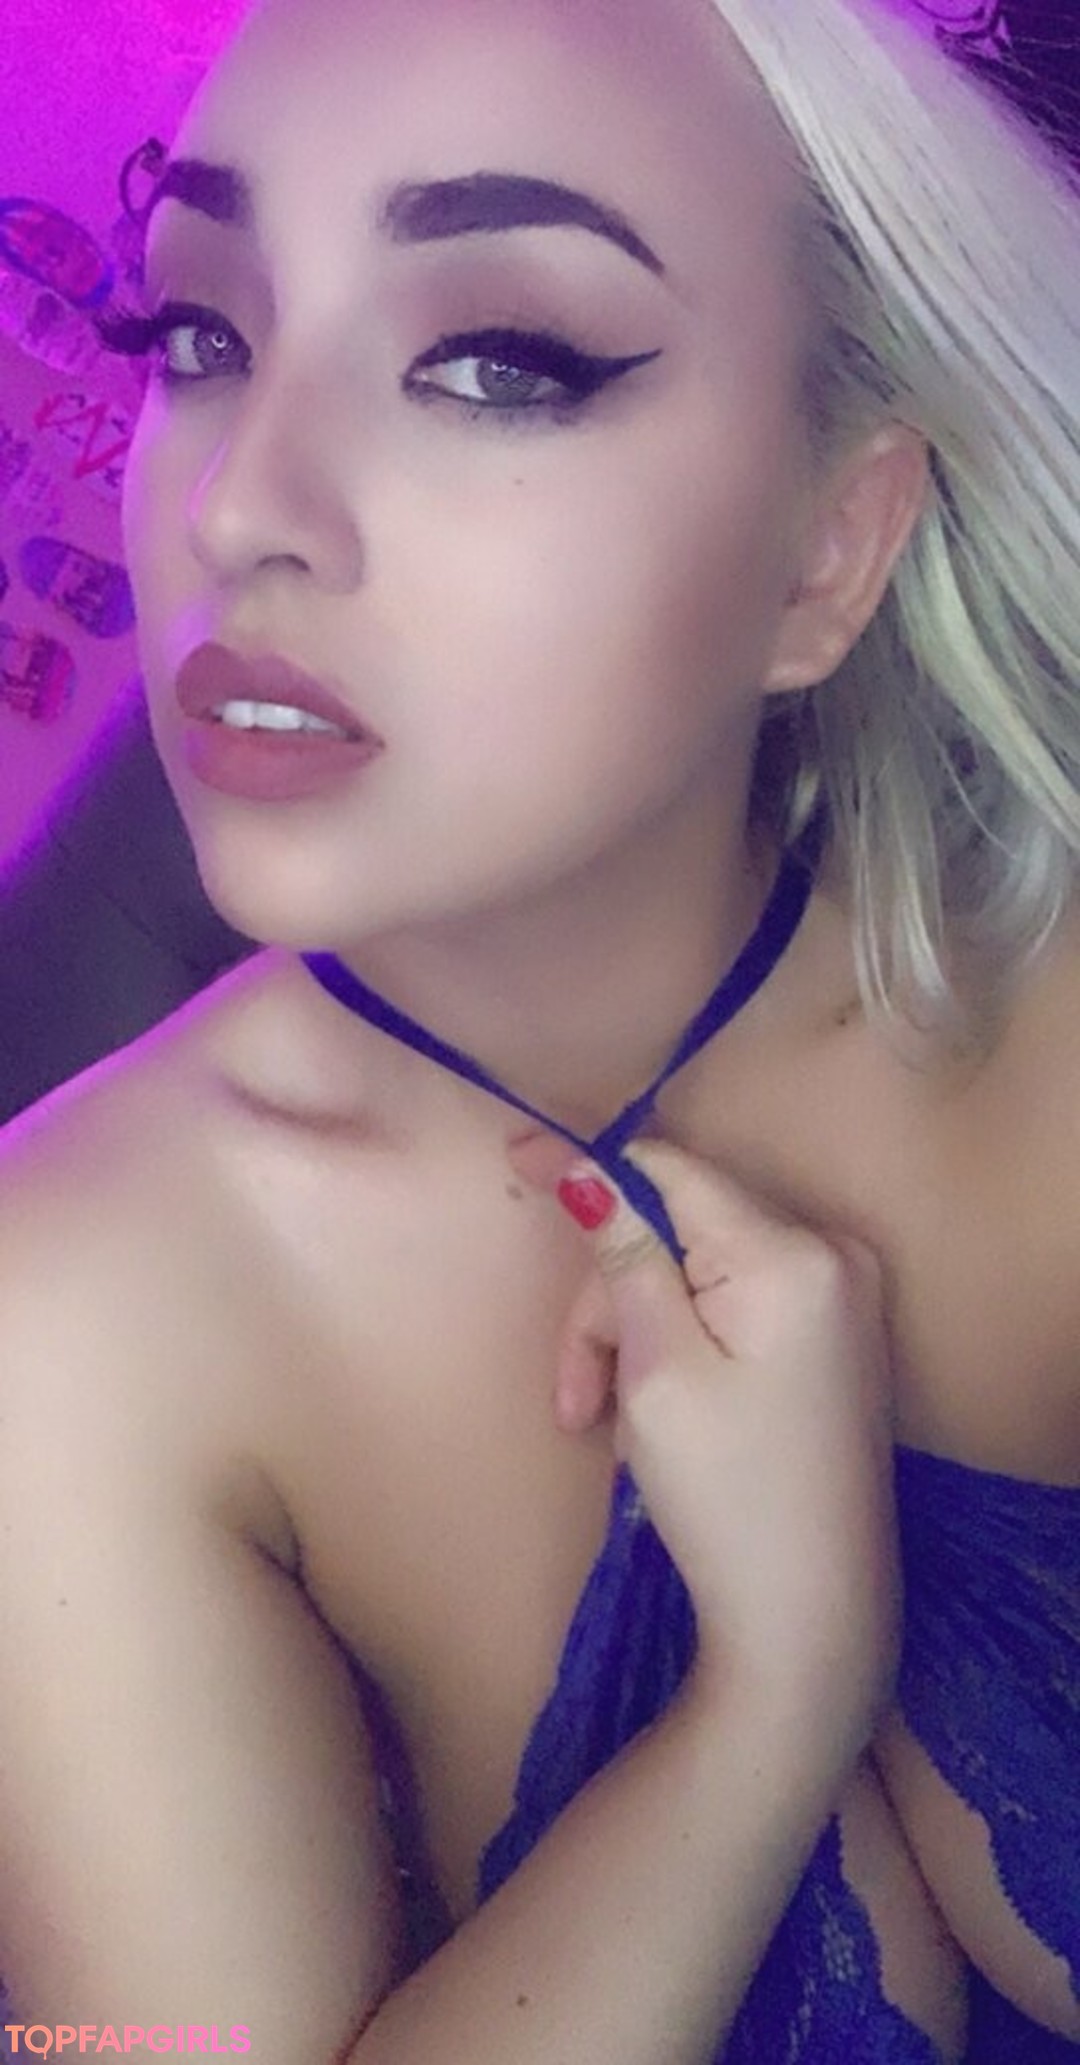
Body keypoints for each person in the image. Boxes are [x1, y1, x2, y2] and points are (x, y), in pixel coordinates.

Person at [0, 0, 1076, 2057]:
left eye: (497, 361)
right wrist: (771, 1697)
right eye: (199, 332)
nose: (239, 507)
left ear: (828, 552)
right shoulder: (70, 1304)